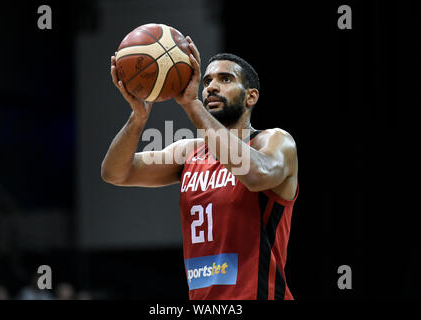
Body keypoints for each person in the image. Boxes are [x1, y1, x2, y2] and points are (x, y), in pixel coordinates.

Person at [102, 37, 298, 300]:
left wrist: (191, 105)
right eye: (207, 81)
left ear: (251, 96)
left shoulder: (273, 140)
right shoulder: (189, 152)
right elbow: (114, 172)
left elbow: (256, 175)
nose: (211, 87)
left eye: (225, 79)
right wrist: (137, 117)